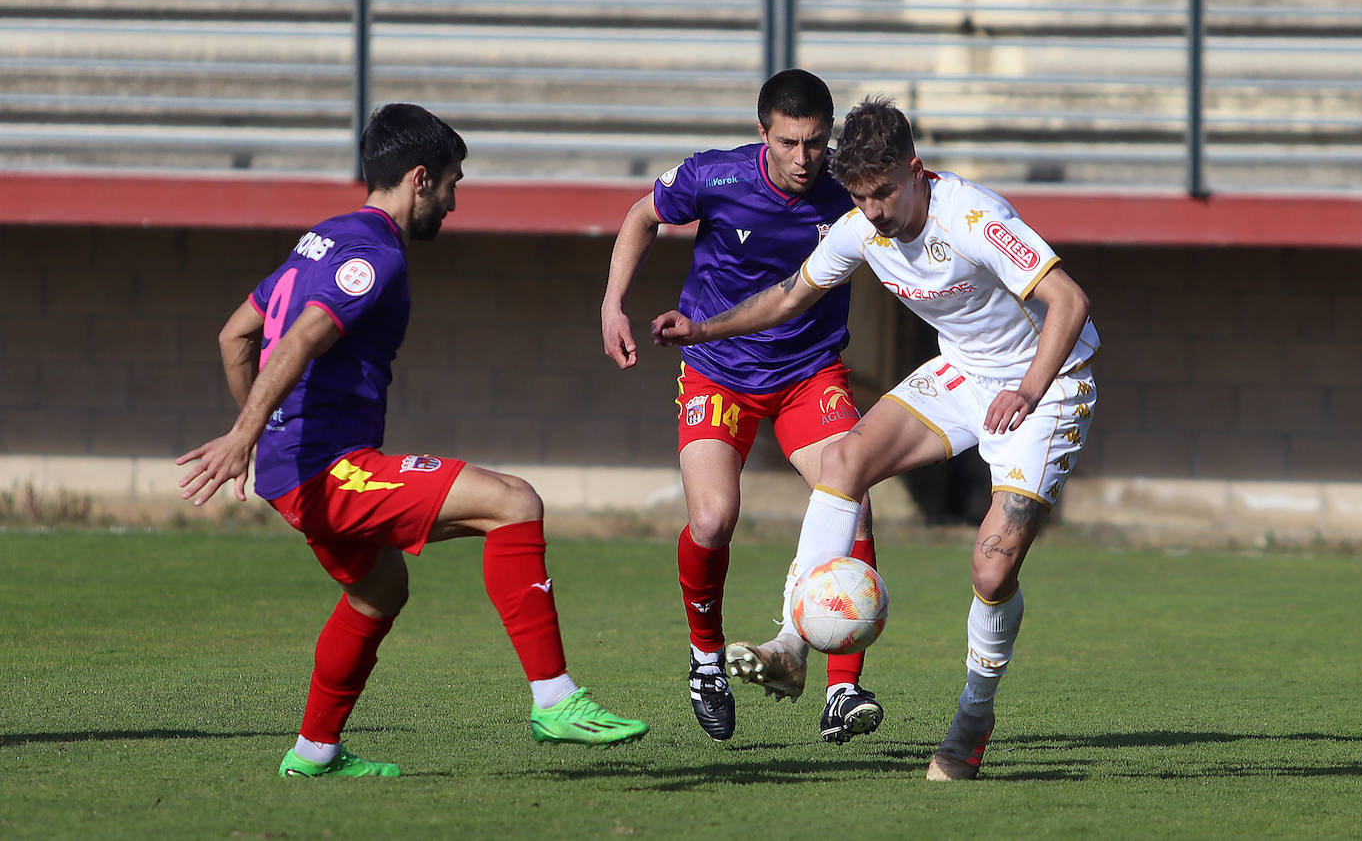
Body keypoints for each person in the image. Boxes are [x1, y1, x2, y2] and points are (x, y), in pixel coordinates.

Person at [177, 103, 648, 778]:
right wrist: (243, 435)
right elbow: (308, 334)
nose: (456, 202)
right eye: (454, 183)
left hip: (295, 468)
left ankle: (315, 753)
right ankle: (556, 700)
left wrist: (264, 438)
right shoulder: (374, 256)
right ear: (420, 178)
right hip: (325, 470)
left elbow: (235, 336)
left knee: (379, 590)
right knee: (514, 501)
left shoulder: (325, 236)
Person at [651, 96, 1099, 780]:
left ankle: (973, 719)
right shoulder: (861, 226)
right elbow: (789, 296)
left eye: (885, 191)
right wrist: (703, 329)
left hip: (1047, 384)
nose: (875, 210)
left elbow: (1068, 300)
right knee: (846, 458)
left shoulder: (975, 217)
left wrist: (1029, 391)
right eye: (860, 196)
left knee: (991, 568)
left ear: (915, 170)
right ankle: (792, 647)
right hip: (964, 375)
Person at [601, 69, 883, 744]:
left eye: (817, 143)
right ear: (763, 134)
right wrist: (614, 303)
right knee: (714, 516)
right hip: (718, 374)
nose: (804, 159)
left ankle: (841, 690)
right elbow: (642, 216)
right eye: (789, 142)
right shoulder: (714, 177)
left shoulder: (847, 190)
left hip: (808, 375)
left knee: (855, 500)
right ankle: (706, 661)